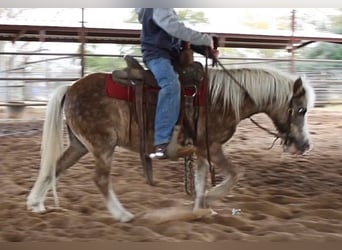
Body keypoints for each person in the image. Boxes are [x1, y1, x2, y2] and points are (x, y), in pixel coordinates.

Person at [135, 8, 218, 159]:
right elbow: (174, 28)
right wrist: (204, 39)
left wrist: (203, 49)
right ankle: (162, 143)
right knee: (171, 85)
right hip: (157, 56)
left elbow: (175, 37)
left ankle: (186, 132)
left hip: (168, 56)